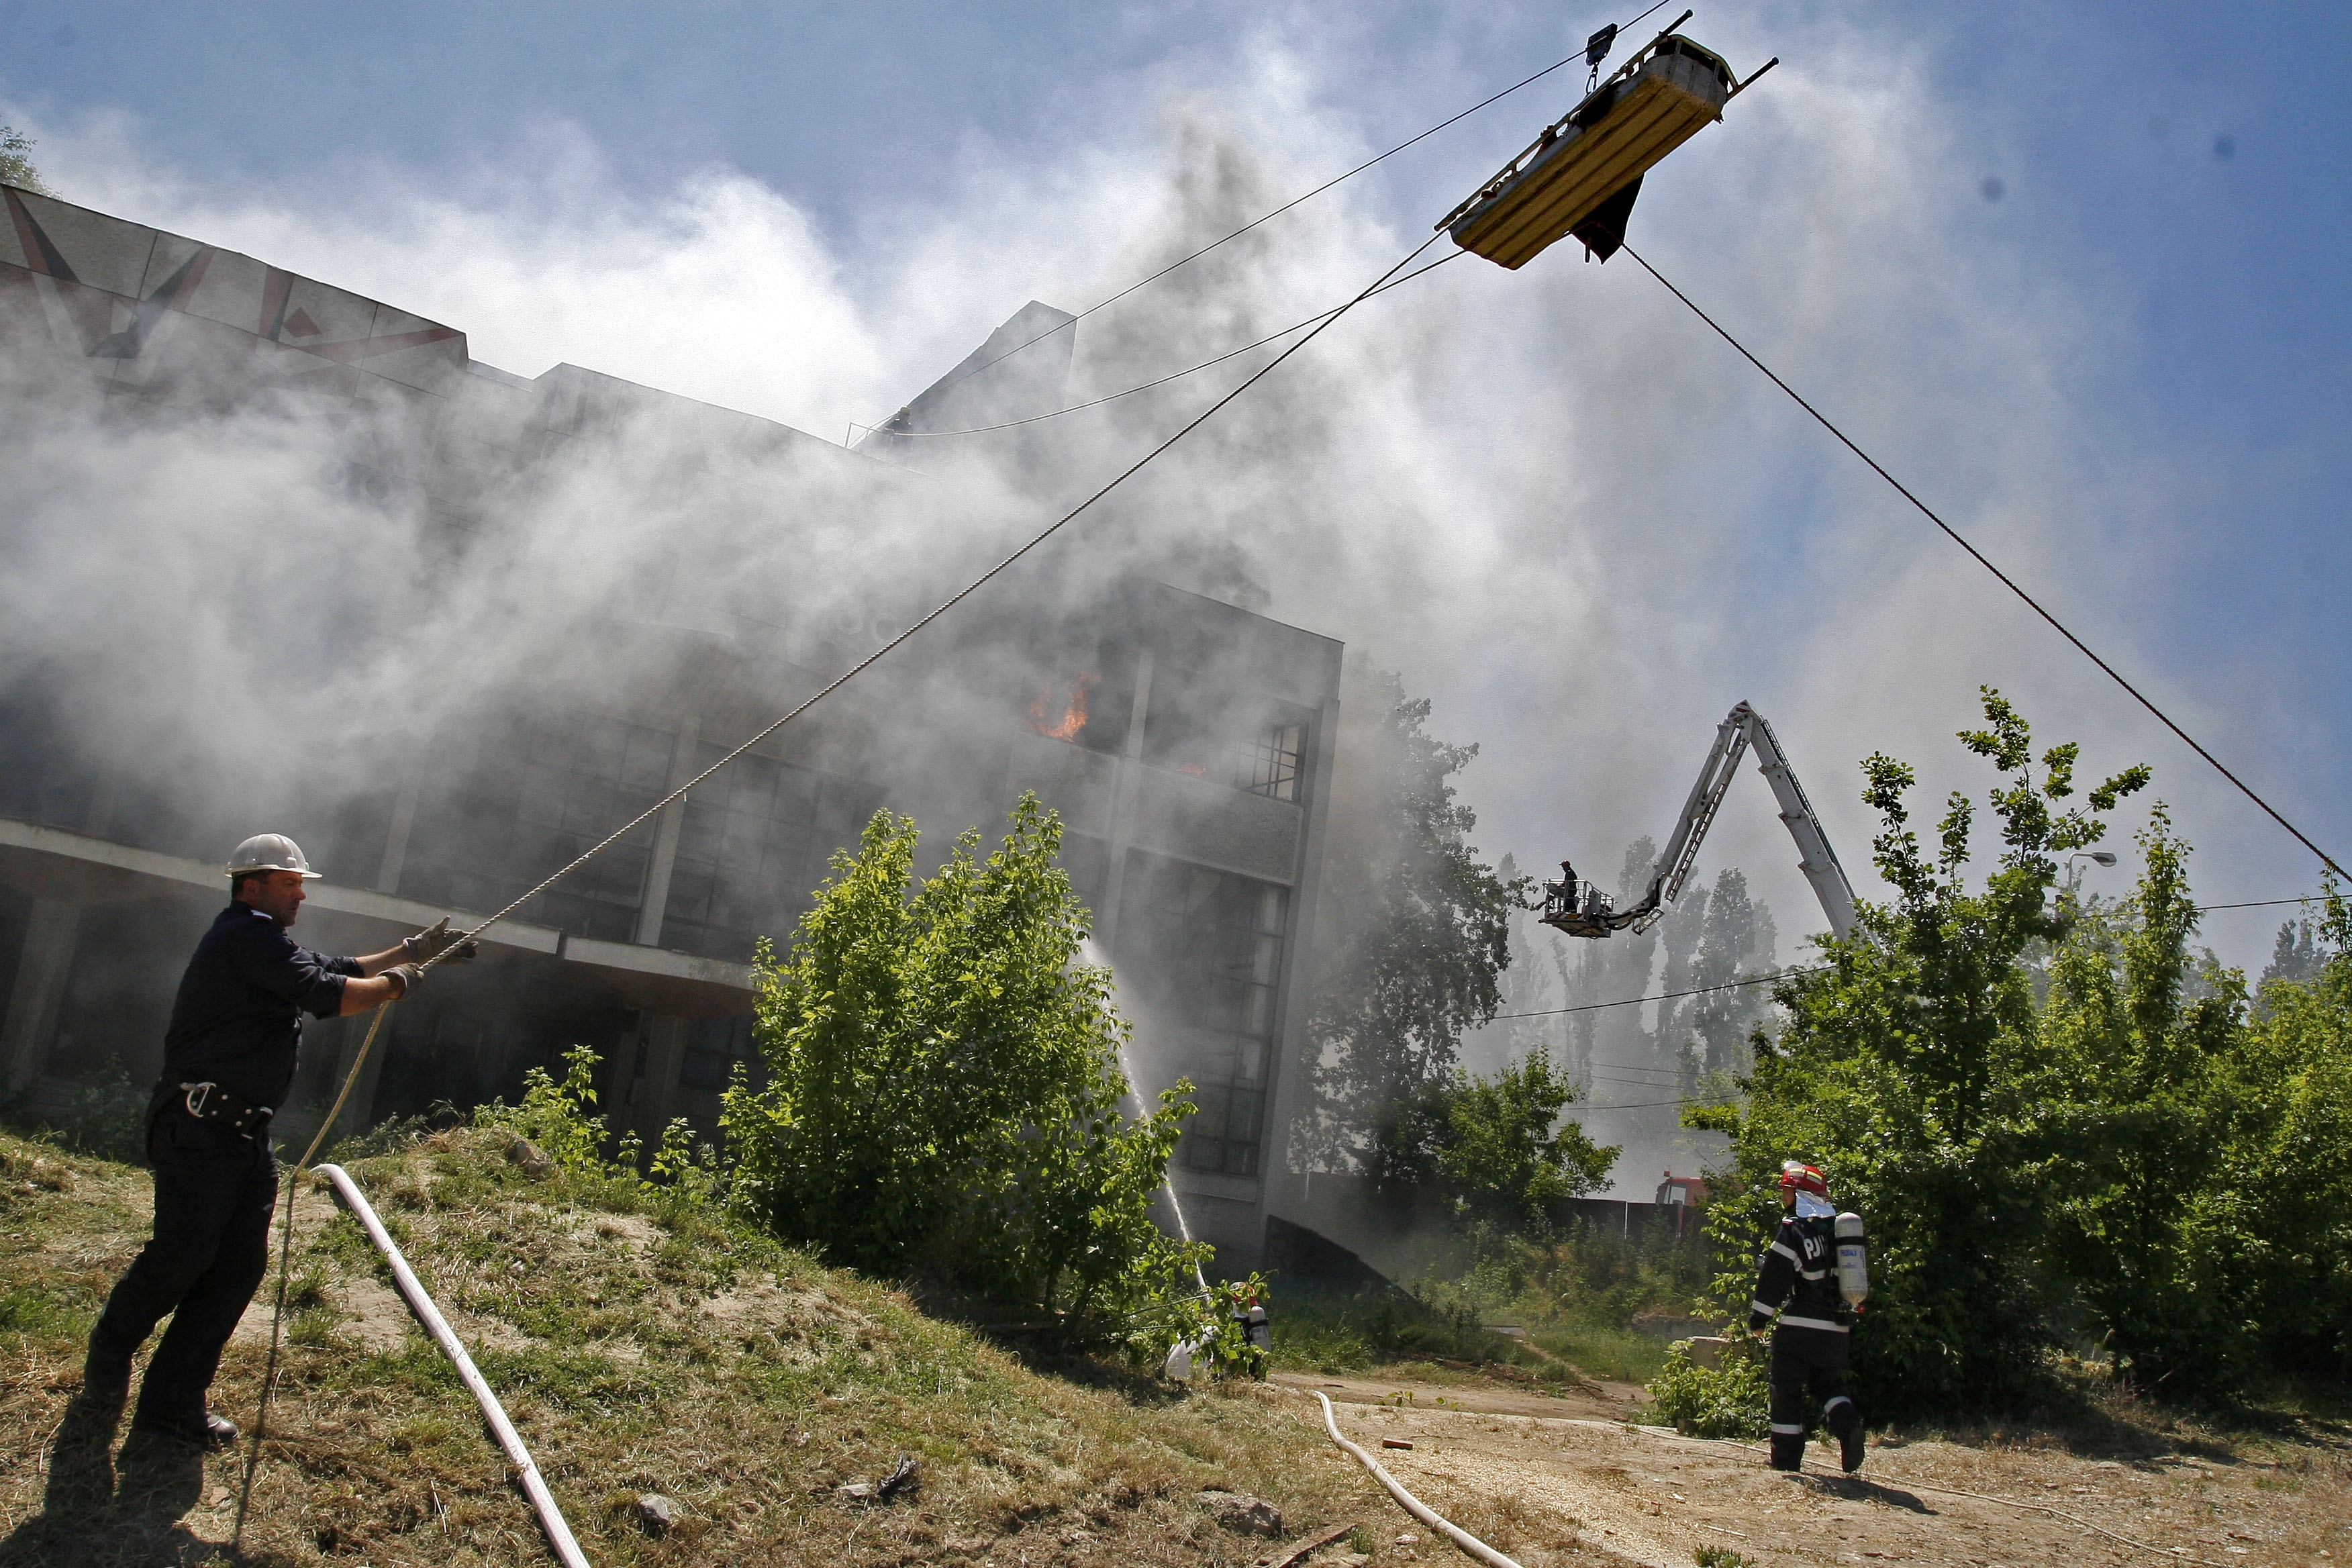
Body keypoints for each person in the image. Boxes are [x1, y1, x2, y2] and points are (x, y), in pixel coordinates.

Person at [79, 834, 474, 1450]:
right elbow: (330, 995)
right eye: (290, 883)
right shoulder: (243, 938)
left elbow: (334, 968)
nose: (301, 893)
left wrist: (412, 950)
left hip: (242, 1136)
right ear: (252, 885)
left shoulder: (267, 941)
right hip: (200, 1126)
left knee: (238, 1266)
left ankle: (171, 1405)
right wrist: (396, 984)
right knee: (183, 1256)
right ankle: (110, 1350)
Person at [1746, 1160, 1864, 1474]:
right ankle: (1849, 1426)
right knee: (1828, 1385)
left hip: (1799, 1327)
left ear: (1800, 1195)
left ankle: (1786, 1460)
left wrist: (1758, 1320)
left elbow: (1774, 1278)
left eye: (1786, 1191)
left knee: (1785, 1389)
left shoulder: (1794, 1229)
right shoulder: (1840, 1232)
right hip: (1837, 1328)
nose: (1783, 1197)